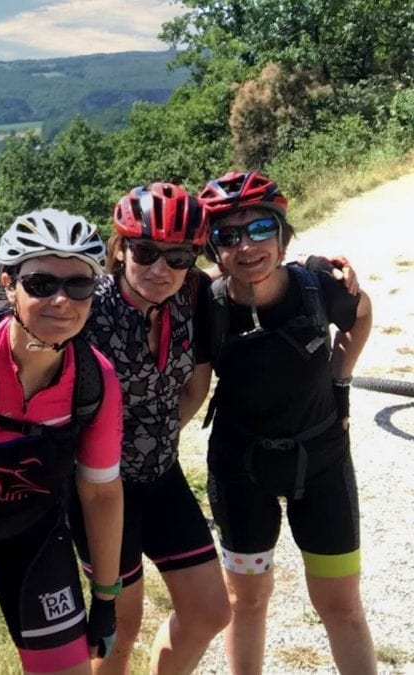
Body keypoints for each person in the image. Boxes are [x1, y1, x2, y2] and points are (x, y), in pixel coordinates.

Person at [0, 209, 124, 675]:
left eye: (79, 285)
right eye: (40, 284)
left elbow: (101, 492)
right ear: (7, 284)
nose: (61, 301)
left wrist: (107, 596)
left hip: (34, 537)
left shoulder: (94, 381)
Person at [198, 171, 375, 674]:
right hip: (240, 470)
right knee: (246, 602)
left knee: (341, 606)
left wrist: (341, 381)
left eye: (259, 230)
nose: (246, 246)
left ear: (281, 234)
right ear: (213, 248)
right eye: (228, 236)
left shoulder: (319, 285)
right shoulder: (205, 306)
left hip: (321, 465)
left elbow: (361, 314)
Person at [68, 183, 231, 674]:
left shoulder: (193, 297)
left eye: (178, 256)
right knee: (120, 628)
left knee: (209, 611)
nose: (161, 269)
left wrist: (322, 274)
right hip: (99, 491)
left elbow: (195, 386)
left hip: (161, 474)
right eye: (145, 251)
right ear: (119, 249)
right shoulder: (85, 310)